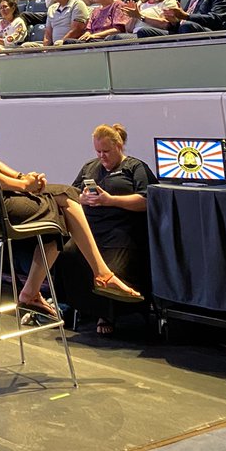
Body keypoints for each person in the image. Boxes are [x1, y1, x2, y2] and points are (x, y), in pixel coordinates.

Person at [0, 60, 142, 318]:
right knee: (67, 199)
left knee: (59, 218)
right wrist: (24, 185)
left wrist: (24, 177)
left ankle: (33, 293)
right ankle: (100, 274)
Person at [55, 123, 156, 336]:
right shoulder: (90, 168)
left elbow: (146, 200)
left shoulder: (135, 168)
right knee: (68, 253)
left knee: (112, 262)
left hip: (122, 229)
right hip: (92, 229)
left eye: (106, 152)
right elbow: (72, 193)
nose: (102, 156)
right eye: (98, 151)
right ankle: (69, 306)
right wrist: (81, 198)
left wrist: (110, 200)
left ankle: (107, 313)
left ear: (118, 146)